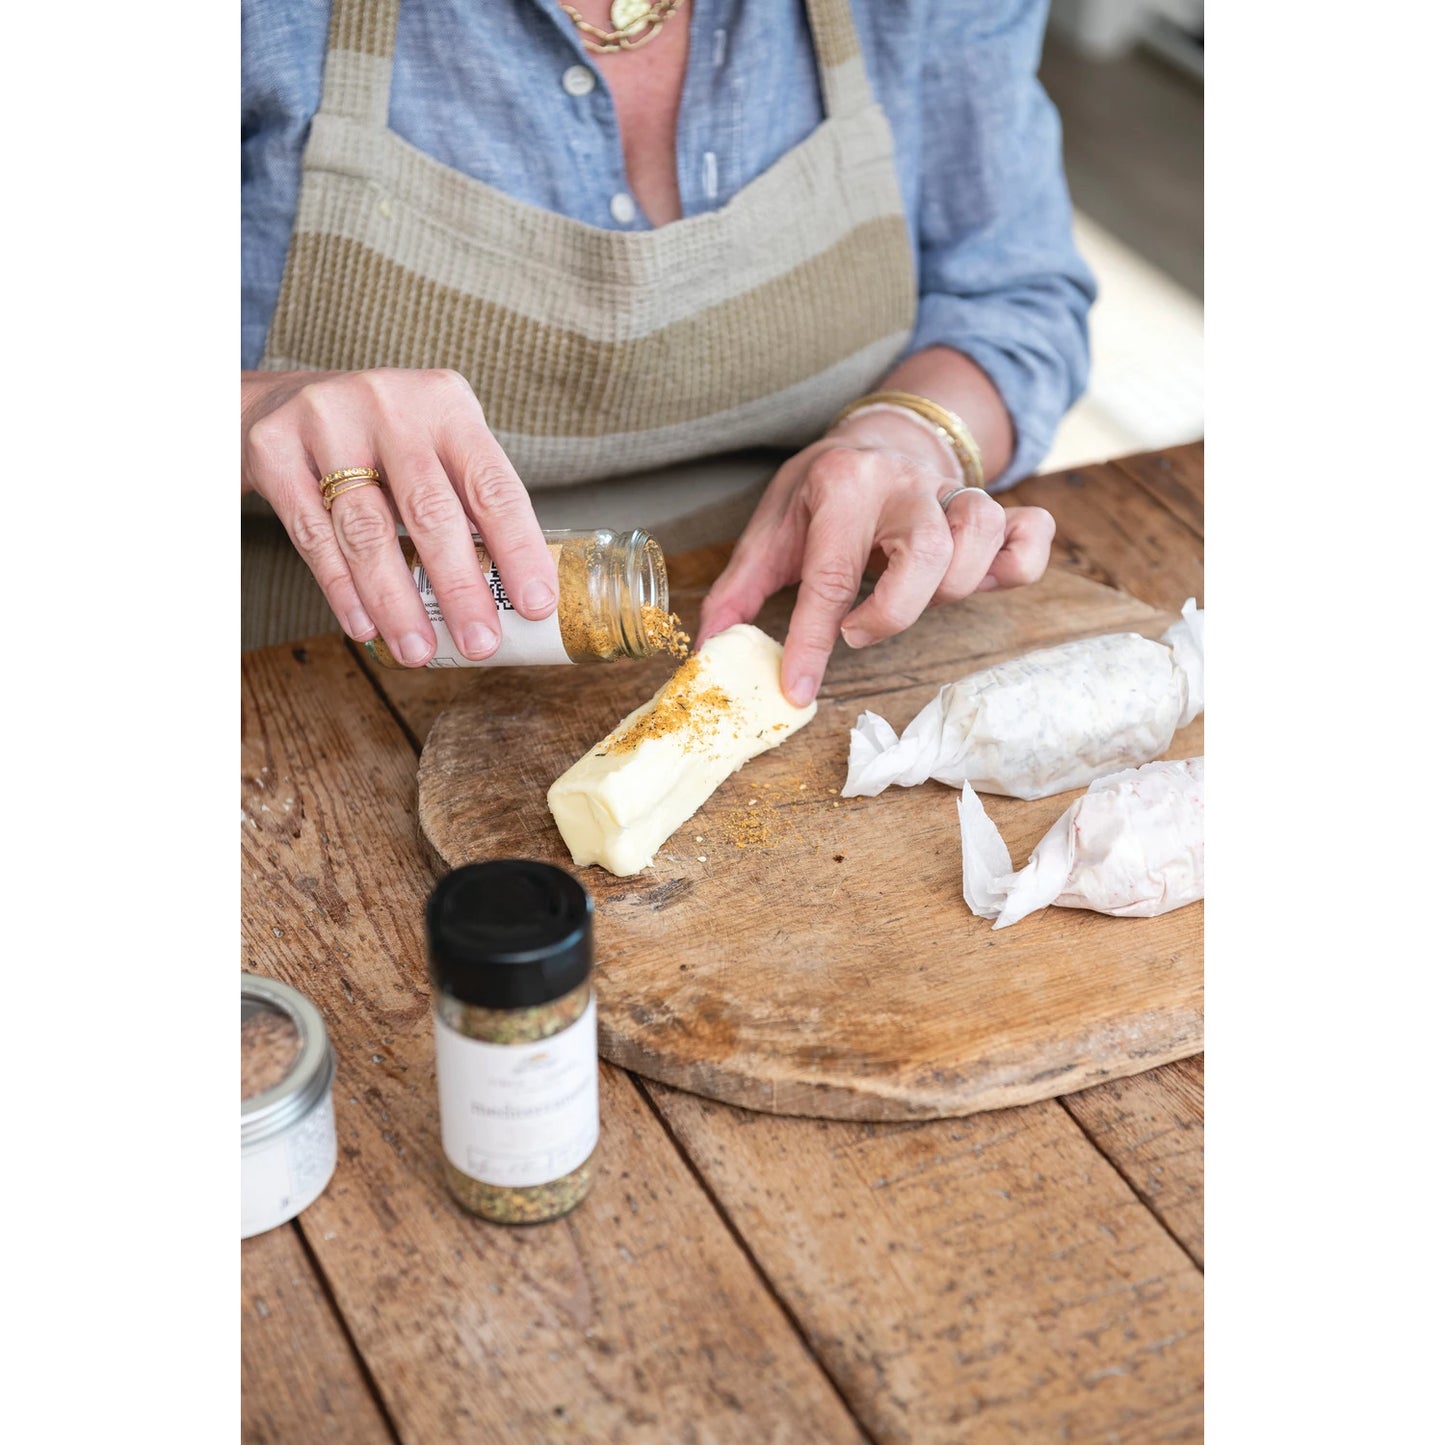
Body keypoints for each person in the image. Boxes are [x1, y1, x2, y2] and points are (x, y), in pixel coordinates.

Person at [242, 0, 1094, 704]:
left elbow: (1011, 294)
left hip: (795, 643)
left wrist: (901, 438)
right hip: (298, 685)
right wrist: (250, 408)